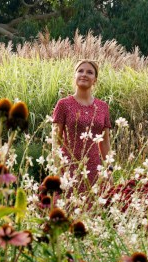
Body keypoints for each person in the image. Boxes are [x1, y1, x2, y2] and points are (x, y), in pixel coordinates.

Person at [52, 60, 111, 193]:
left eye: (89, 72)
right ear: (75, 75)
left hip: (95, 170)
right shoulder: (63, 104)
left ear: (95, 79)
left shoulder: (103, 107)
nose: (84, 74)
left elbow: (105, 143)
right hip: (68, 168)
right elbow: (55, 142)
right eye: (80, 71)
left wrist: (109, 169)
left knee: (94, 210)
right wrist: (57, 171)